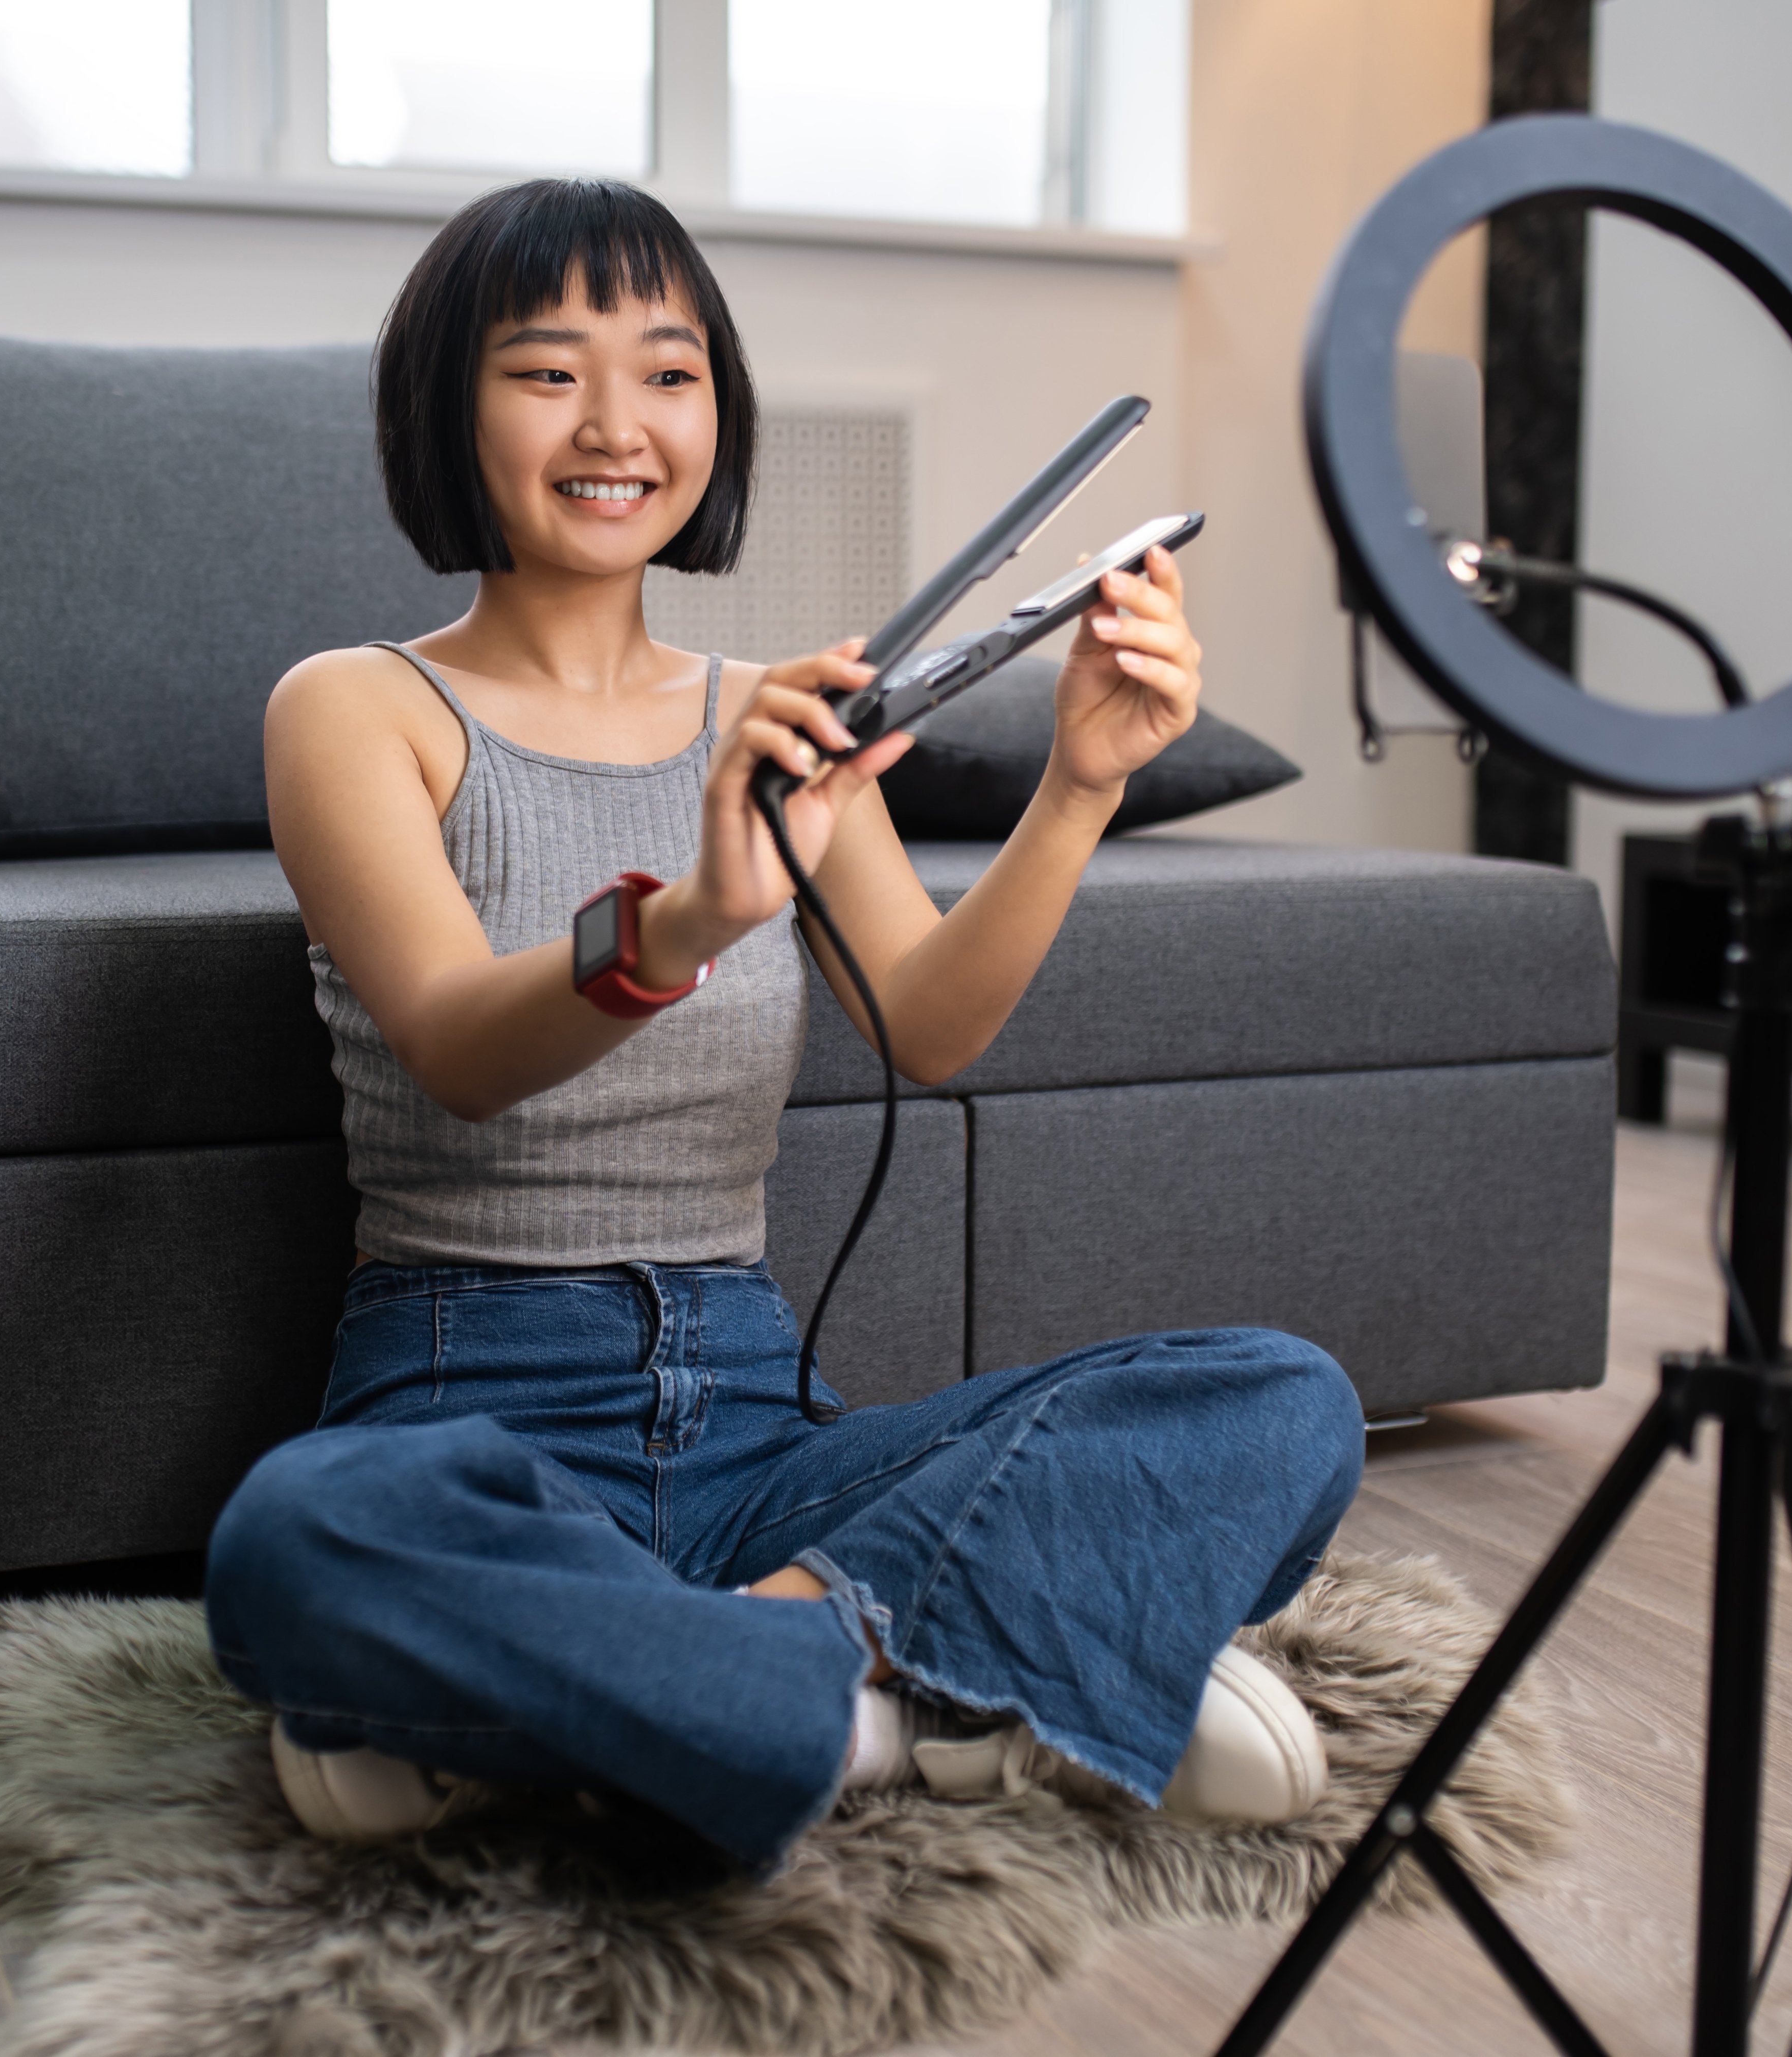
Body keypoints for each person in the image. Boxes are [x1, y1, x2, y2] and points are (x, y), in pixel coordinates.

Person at [205, 178, 1364, 1877]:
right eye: (548, 374)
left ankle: (676, 1695)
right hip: (474, 1407)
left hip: (758, 1423)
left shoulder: (772, 717)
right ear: (448, 412)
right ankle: (933, 1691)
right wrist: (689, 921)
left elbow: (933, 1023)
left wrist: (1081, 784)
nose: (617, 424)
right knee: (302, 1541)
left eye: (668, 373)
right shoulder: (356, 707)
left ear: (718, 415)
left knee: (1282, 1401)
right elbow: (457, 1041)